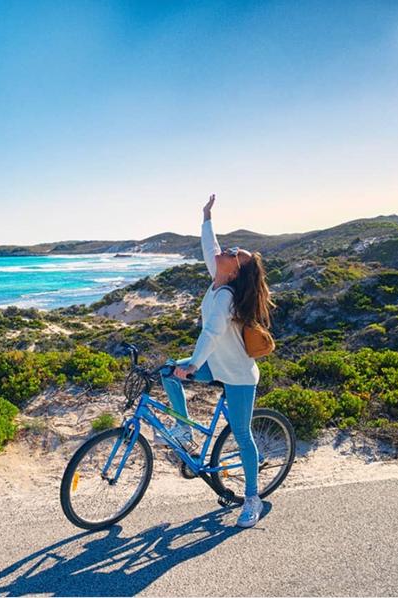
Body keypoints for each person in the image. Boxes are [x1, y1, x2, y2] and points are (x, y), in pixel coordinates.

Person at [155, 194, 274, 528]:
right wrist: (206, 217)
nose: (230, 251)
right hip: (215, 365)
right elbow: (211, 249)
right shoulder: (218, 278)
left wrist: (192, 364)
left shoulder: (226, 297)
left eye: (236, 254)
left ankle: (252, 499)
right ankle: (183, 426)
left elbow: (211, 332)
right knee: (167, 372)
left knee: (242, 434)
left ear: (235, 270)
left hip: (237, 375)